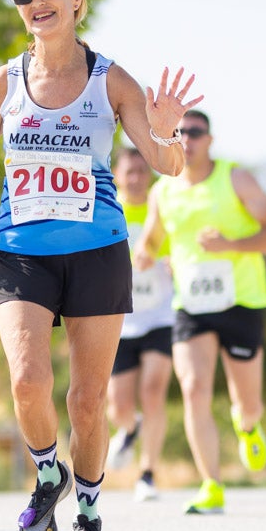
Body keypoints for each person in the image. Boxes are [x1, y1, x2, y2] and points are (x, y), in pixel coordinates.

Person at [0, 0, 200, 531]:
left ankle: (89, 517)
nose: (36, 2)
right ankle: (45, 474)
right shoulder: (4, 81)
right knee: (27, 379)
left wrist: (168, 133)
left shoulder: (111, 80)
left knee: (87, 402)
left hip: (97, 253)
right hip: (21, 253)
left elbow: (168, 166)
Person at [135, 109, 266, 515]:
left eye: (196, 132)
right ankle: (211, 484)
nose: (187, 138)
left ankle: (249, 425)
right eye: (180, 132)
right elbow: (150, 241)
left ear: (210, 139)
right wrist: (146, 256)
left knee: (248, 401)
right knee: (193, 387)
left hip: (241, 300)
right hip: (191, 305)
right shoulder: (162, 191)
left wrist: (232, 246)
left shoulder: (235, 178)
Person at [104, 147, 175, 502]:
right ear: (116, 173)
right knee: (118, 406)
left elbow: (179, 249)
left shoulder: (160, 208)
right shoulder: (107, 207)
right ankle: (130, 429)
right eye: (128, 172)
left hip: (161, 315)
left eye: (141, 172)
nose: (135, 179)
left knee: (153, 390)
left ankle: (147, 473)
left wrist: (173, 263)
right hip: (119, 318)